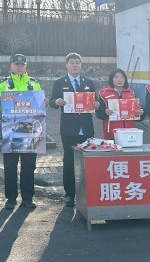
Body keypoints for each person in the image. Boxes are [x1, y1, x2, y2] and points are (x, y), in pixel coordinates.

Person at [49, 52, 100, 207]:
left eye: (77, 63)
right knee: (69, 161)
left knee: (87, 161)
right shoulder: (59, 83)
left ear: (81, 65)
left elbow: (95, 101)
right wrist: (56, 101)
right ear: (67, 65)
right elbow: (52, 101)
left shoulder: (88, 82)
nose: (75, 65)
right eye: (72, 63)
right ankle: (70, 194)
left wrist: (97, 104)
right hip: (69, 129)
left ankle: (85, 193)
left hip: (86, 128)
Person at [0, 53, 41, 210]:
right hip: (10, 130)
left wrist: (45, 103)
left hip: (30, 130)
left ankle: (27, 198)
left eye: (22, 64)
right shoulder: (3, 84)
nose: (19, 67)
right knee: (10, 165)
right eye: (16, 64)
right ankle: (11, 198)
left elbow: (40, 108)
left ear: (26, 66)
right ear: (11, 66)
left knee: (29, 165)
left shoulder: (34, 83)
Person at [97, 68, 145, 141]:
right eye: (117, 77)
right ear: (111, 79)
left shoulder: (131, 93)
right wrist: (105, 112)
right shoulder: (103, 94)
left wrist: (141, 112)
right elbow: (99, 114)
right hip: (112, 132)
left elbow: (138, 113)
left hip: (129, 132)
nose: (120, 80)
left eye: (122, 77)